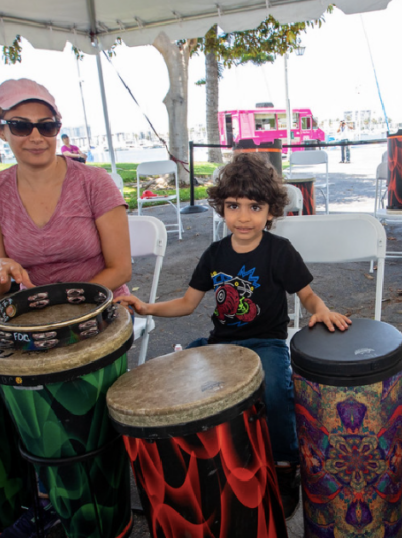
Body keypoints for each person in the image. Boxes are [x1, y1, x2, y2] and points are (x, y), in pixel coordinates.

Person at [0, 78, 130, 537]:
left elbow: (119, 269)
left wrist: (66, 312)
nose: (36, 136)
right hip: (24, 318)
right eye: (20, 125)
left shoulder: (93, 182)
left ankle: (55, 491)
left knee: (50, 375)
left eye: (48, 124)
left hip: (98, 307)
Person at [115, 152, 351, 519]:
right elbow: (187, 303)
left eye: (254, 206)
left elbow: (305, 294)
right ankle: (208, 461)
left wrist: (319, 309)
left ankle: (286, 465)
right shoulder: (214, 255)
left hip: (266, 344)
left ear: (271, 211)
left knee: (275, 388)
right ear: (221, 207)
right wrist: (147, 307)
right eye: (233, 205)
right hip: (222, 345)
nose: (243, 216)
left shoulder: (279, 251)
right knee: (179, 376)